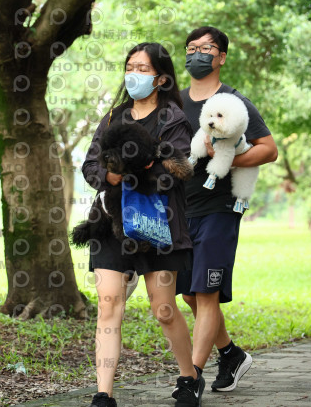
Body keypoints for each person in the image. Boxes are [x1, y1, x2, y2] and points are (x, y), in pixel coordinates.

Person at [82, 42, 204, 407]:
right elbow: (91, 165)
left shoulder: (173, 120)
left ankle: (189, 377)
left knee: (163, 309)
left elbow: (176, 173)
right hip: (110, 223)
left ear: (161, 78)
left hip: (158, 226)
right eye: (130, 67)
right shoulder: (113, 118)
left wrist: (136, 170)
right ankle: (103, 394)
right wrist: (111, 176)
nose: (133, 74)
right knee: (108, 304)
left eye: (142, 69)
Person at [174, 27, 278, 395]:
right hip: (180, 209)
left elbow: (269, 150)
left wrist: (226, 158)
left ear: (221, 57)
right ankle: (231, 354)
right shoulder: (173, 101)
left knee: (206, 294)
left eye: (206, 48)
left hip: (219, 208)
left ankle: (191, 379)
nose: (196, 54)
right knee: (189, 295)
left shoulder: (234, 102)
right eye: (191, 47)